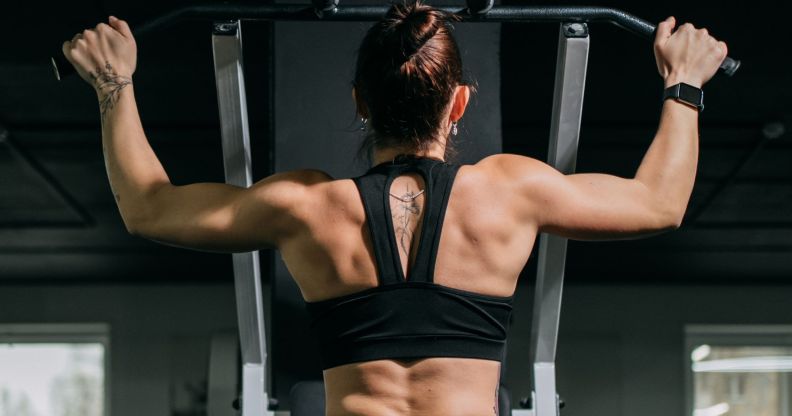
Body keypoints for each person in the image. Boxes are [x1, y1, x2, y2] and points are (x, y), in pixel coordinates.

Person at [62, 1, 727, 415]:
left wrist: (112, 83)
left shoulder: (305, 206)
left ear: (359, 102)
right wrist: (685, 86)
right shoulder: (509, 192)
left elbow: (149, 209)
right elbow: (657, 203)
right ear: (458, 103)